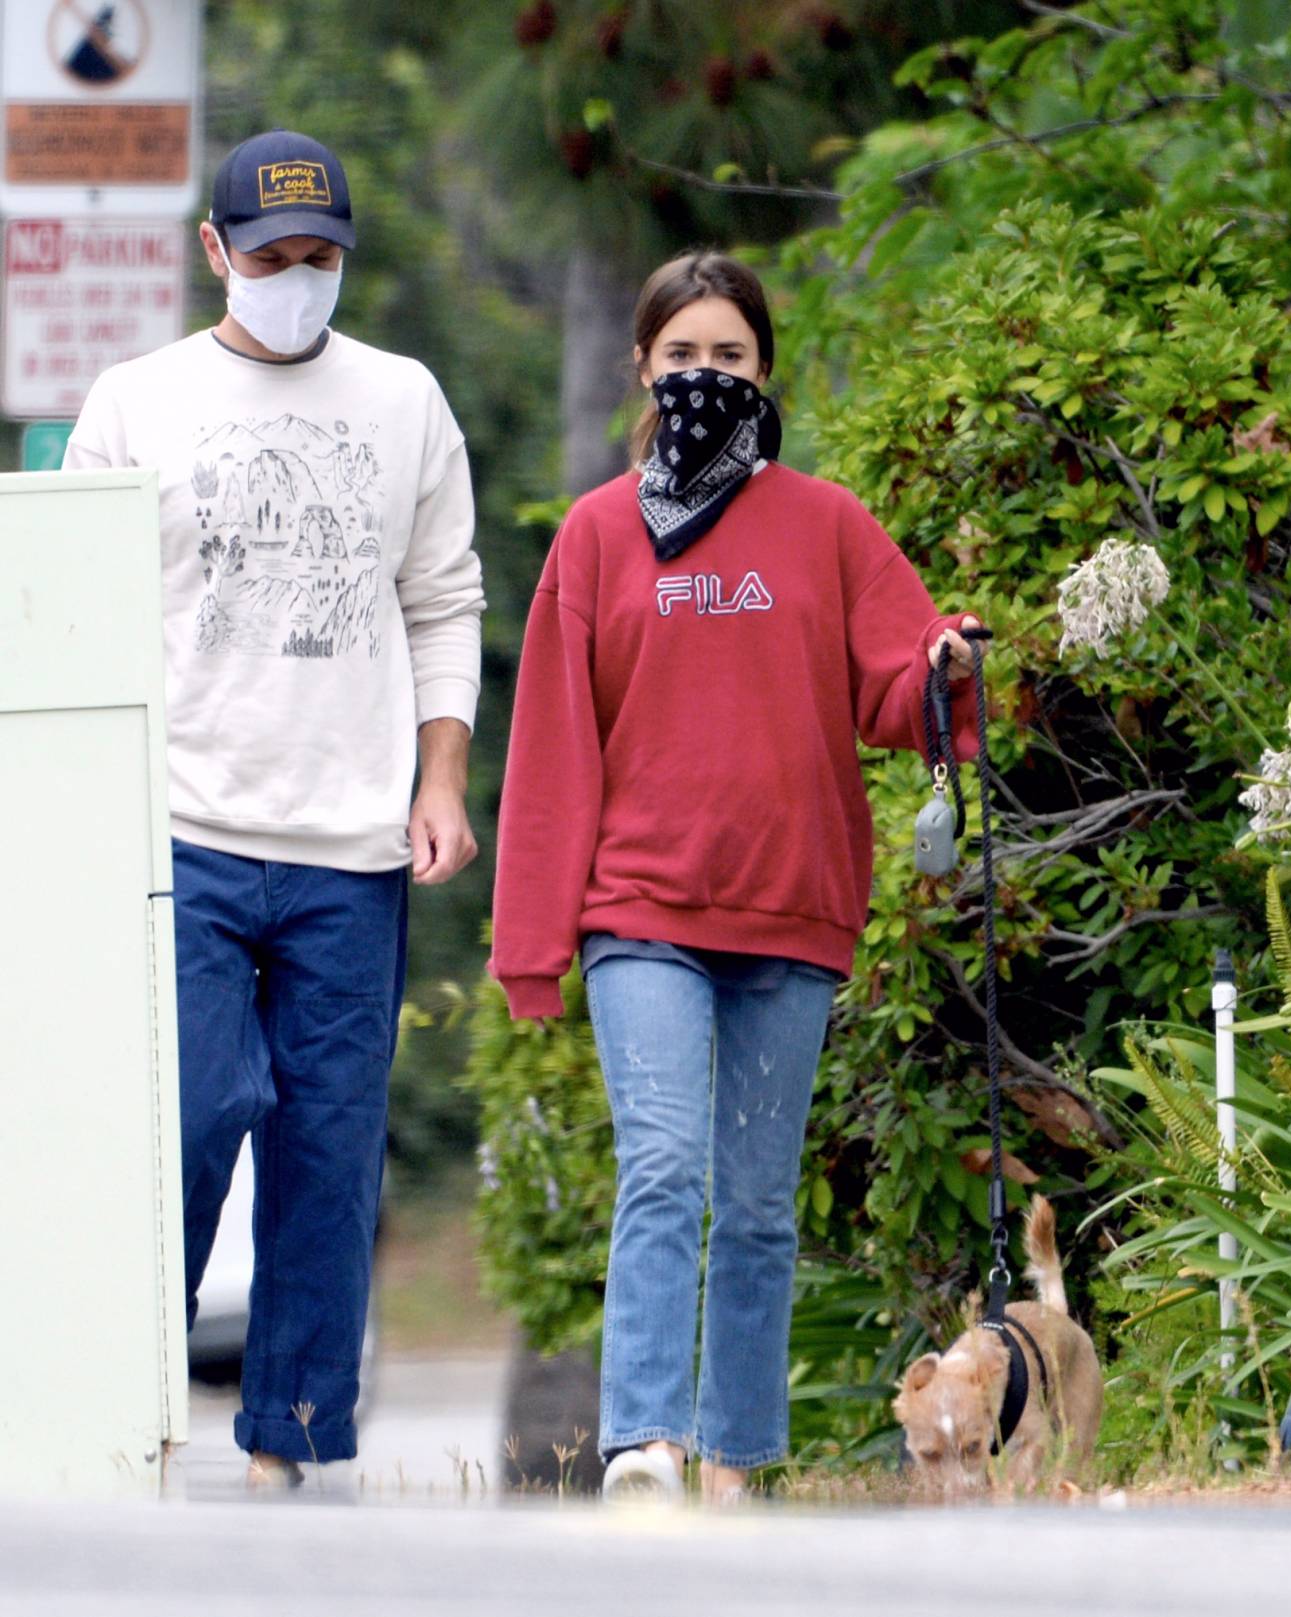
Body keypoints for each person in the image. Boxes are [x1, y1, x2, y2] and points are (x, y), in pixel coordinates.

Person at [490, 251, 986, 1503]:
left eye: (730, 358)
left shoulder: (827, 525)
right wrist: (532, 944)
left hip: (792, 911)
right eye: (681, 357)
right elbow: (553, 747)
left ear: (764, 372)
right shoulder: (600, 536)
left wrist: (943, 665)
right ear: (643, 371)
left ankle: (732, 1467)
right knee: (663, 1167)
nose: (704, 377)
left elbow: (891, 688)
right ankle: (642, 1444)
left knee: (760, 1210)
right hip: (640, 913)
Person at [64, 130, 484, 1485]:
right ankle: (133, 1407)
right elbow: (78, 617)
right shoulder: (135, 403)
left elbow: (444, 600)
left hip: (349, 846)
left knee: (328, 1151)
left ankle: (289, 1449)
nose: (297, 281)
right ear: (215, 253)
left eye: (320, 260)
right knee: (180, 1120)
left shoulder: (406, 400)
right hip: (180, 831)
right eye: (270, 258)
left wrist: (440, 782)